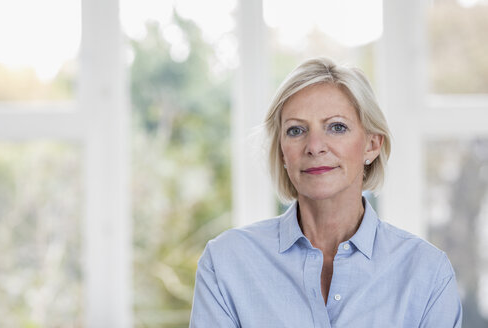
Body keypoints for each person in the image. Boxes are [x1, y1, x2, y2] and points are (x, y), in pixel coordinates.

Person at [189, 57, 462, 327]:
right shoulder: (225, 263)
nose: (315, 146)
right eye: (296, 130)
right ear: (283, 152)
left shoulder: (427, 274)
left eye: (337, 127)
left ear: (372, 144)